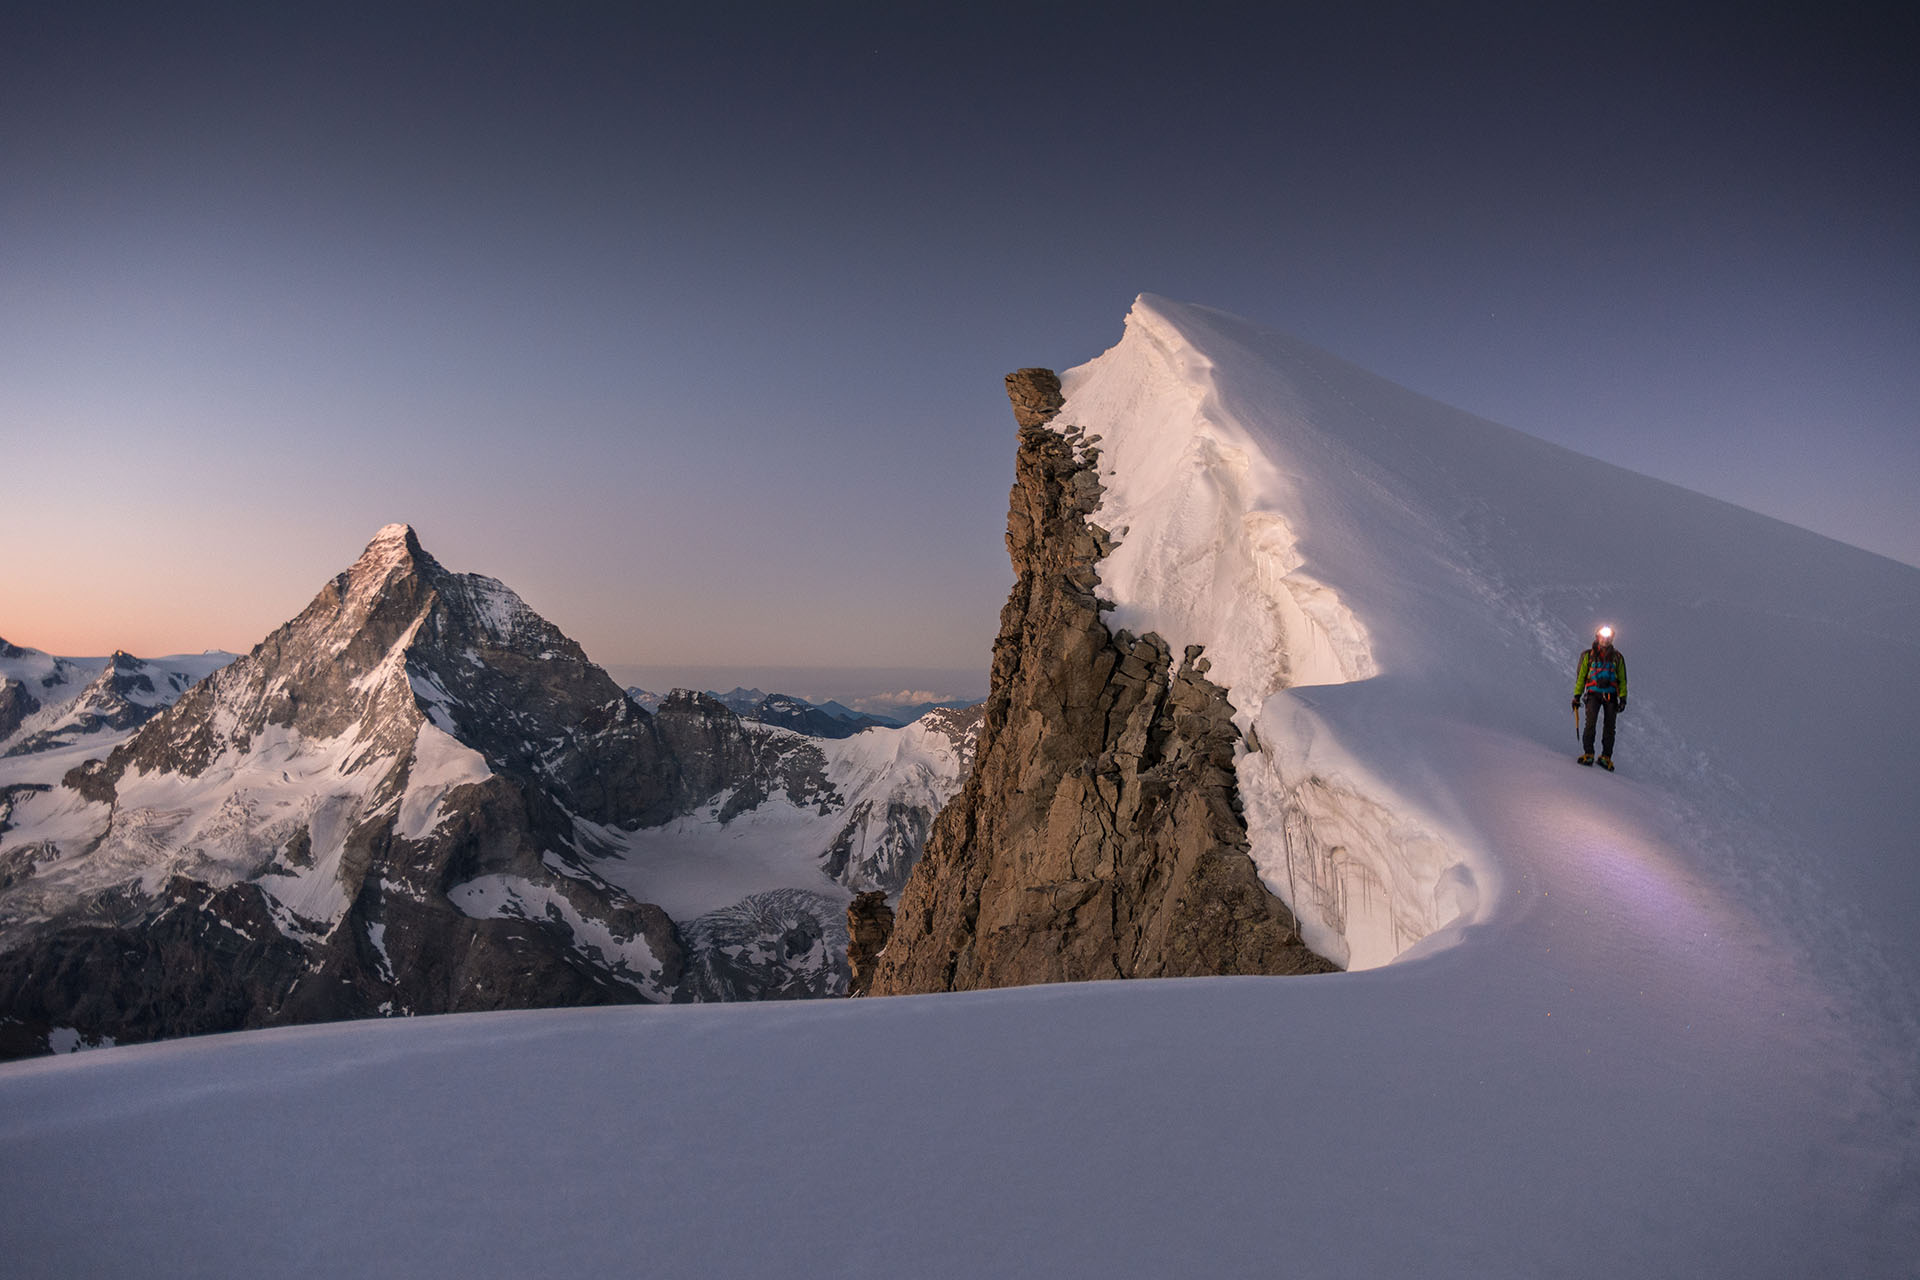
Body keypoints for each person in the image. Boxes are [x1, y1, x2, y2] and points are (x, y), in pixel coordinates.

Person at [1572, 625, 1627, 770]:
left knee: (1609, 727)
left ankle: (1606, 757)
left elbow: (1622, 679)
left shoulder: (1617, 657)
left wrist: (1623, 698)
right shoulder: (1588, 655)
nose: (1605, 640)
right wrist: (1577, 696)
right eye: (1603, 636)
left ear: (1612, 638)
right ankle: (1588, 753)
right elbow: (1581, 676)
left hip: (1611, 696)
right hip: (1592, 694)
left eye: (1608, 637)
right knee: (1590, 724)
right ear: (1597, 637)